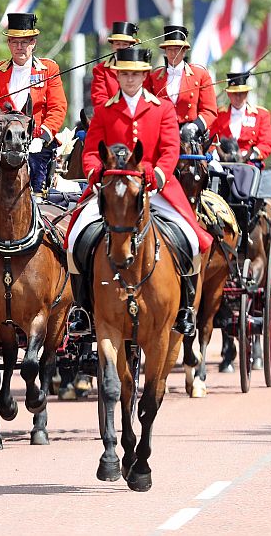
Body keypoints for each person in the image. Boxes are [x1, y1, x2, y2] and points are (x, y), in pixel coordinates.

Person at [65, 47, 212, 337]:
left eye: (135, 74)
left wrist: (156, 175)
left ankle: (185, 309)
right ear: (117, 76)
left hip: (155, 189)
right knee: (73, 238)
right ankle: (81, 310)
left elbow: (170, 150)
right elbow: (92, 151)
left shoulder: (162, 109)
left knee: (193, 239)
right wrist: (96, 175)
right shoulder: (106, 111)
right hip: (113, 190)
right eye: (124, 74)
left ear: (145, 76)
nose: (130, 79)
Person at [0, 12, 68, 194]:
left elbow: (58, 107)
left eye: (24, 42)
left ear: (33, 43)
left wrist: (44, 137)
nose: (19, 47)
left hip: (37, 141)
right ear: (8, 44)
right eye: (14, 42)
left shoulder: (49, 69)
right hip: (4, 143)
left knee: (36, 190)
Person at [149, 25, 217, 133]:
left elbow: (209, 110)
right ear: (165, 52)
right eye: (169, 49)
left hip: (190, 134)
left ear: (184, 51)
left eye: (177, 49)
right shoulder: (154, 77)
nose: (172, 53)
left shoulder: (200, 75)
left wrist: (195, 126)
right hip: (162, 133)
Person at [208, 72, 271, 164]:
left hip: (250, 163)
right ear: (228, 94)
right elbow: (210, 140)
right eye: (234, 94)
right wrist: (217, 154)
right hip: (222, 162)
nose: (238, 98)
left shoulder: (261, 115)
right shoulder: (218, 115)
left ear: (246, 93)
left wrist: (250, 155)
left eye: (242, 93)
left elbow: (267, 142)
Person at [89, 21, 139, 109]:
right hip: (111, 118)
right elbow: (99, 99)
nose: (121, 48)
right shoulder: (101, 70)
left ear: (131, 46)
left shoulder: (141, 68)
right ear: (112, 46)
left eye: (125, 44)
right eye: (117, 44)